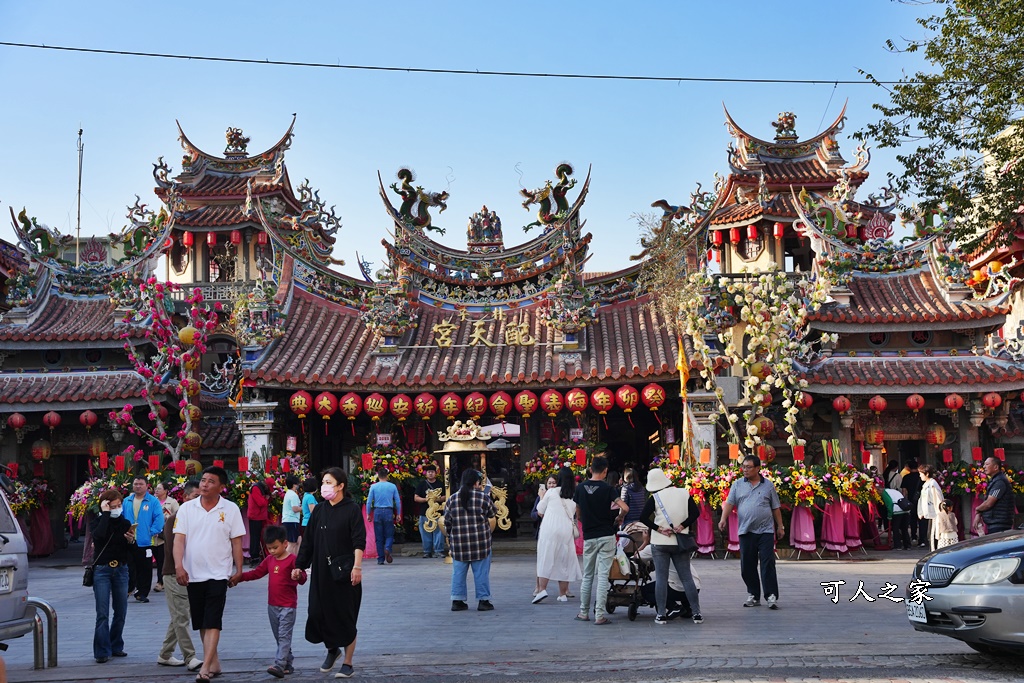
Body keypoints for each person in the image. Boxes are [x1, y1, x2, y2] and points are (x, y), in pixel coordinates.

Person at [174, 465, 246, 683]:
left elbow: (236, 541)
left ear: (221, 487)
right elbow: (179, 539)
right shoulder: (187, 508)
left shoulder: (231, 509)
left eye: (211, 481)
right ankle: (213, 662)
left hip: (218, 572)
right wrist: (179, 566)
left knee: (213, 619)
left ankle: (205, 667)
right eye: (203, 480)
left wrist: (239, 569)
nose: (205, 484)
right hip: (193, 573)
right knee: (202, 622)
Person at [294, 467, 365, 678]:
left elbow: (359, 540)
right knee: (318, 612)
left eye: (328, 482)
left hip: (345, 571)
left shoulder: (352, 509)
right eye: (323, 482)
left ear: (340, 485)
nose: (324, 486)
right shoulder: (320, 510)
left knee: (345, 616)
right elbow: (308, 541)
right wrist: (299, 565)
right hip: (322, 571)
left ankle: (348, 662)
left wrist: (357, 567)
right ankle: (332, 648)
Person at [233, 525, 307, 678]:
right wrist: (239, 577)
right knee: (279, 636)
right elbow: (256, 573)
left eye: (275, 547)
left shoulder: (293, 560)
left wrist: (298, 575)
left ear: (285, 543)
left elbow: (303, 578)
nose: (272, 551)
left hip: (288, 606)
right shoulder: (269, 560)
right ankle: (287, 662)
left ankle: (279, 665)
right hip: (272, 606)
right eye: (269, 548)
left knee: (284, 636)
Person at [718, 454, 784, 610]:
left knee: (768, 563)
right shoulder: (737, 485)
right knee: (747, 564)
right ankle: (753, 595)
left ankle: (771, 595)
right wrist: (723, 519)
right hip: (746, 530)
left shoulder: (768, 485)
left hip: (766, 531)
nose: (745, 470)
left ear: (757, 468)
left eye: (748, 467)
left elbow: (775, 507)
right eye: (744, 467)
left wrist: (780, 526)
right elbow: (729, 503)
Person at [640, 467, 703, 624]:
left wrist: (659, 529)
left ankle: (661, 614)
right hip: (680, 541)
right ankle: (697, 613)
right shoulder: (683, 493)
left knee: (661, 579)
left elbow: (643, 517)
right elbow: (695, 513)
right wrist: (682, 526)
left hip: (660, 542)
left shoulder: (655, 497)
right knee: (687, 577)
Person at [573, 455, 628, 625]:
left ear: (590, 470)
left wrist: (586, 522)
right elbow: (625, 507)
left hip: (589, 536)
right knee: (603, 576)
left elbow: (578, 513)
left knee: (587, 575)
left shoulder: (580, 488)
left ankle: (583, 612)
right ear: (605, 471)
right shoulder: (608, 488)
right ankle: (599, 616)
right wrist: (620, 518)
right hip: (606, 535)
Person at [157, 480, 202, 671]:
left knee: (179, 615)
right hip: (175, 573)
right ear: (184, 498)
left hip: (194, 574)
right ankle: (190, 656)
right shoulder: (175, 519)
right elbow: (176, 548)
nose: (199, 500)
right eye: (195, 497)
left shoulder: (200, 518)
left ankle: (165, 654)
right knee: (182, 616)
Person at [445, 468, 497, 612]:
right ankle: (483, 600)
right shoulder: (483, 498)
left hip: (459, 543)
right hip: (480, 542)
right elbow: (493, 513)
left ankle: (457, 600)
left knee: (458, 572)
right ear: (476, 482)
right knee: (481, 572)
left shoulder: (452, 499)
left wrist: (451, 537)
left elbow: (447, 522)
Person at [90, 489, 133, 663]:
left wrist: (131, 541)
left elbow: (128, 551)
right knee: (102, 612)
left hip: (121, 569)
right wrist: (105, 514)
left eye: (119, 505)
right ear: (105, 505)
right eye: (113, 506)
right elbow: (99, 535)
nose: (117, 508)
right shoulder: (99, 522)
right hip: (102, 570)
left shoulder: (125, 523)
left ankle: (116, 645)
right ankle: (101, 651)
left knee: (121, 610)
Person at [533, 467, 583, 604]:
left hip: (549, 528)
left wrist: (542, 496)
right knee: (564, 560)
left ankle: (542, 589)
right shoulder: (574, 494)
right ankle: (562, 594)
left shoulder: (552, 492)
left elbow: (540, 510)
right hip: (566, 529)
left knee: (545, 557)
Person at [123, 475, 164, 603]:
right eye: (136, 484)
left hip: (145, 542)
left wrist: (151, 532)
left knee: (145, 568)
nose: (138, 486)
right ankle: (128, 589)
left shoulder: (153, 501)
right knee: (129, 567)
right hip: (128, 541)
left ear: (147, 486)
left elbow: (159, 518)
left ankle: (142, 593)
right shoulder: (126, 501)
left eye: (141, 484)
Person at [366, 468, 401, 565]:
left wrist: (368, 513)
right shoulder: (392, 486)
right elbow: (397, 501)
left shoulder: (373, 487)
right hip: (388, 511)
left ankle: (380, 559)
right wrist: (398, 513)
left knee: (379, 536)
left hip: (377, 511)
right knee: (389, 534)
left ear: (378, 476)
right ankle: (387, 548)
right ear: (387, 476)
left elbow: (369, 501)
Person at [973, 456, 1017, 534]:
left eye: (987, 464)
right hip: (995, 523)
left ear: (996, 467)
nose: (984, 467)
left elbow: (989, 503)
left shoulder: (1000, 482)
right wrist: (979, 513)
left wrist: (977, 510)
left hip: (1000, 525)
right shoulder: (994, 480)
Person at [532, 475, 558, 595]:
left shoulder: (559, 497)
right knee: (541, 561)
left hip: (556, 532)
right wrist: (539, 513)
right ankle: (538, 587)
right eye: (550, 483)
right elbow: (533, 514)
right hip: (543, 532)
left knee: (561, 561)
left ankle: (564, 589)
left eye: (554, 483)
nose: (552, 485)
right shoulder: (541, 497)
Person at [414, 463, 446, 558]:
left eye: (432, 472)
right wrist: (426, 499)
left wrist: (437, 499)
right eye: (429, 472)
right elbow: (416, 497)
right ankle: (427, 551)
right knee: (425, 531)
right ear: (426, 473)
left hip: (437, 512)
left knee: (439, 531)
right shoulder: (422, 484)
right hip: (425, 512)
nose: (430, 474)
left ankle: (439, 550)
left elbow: (445, 496)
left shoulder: (440, 484)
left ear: (435, 473)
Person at [153, 481, 179, 594]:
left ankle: (160, 582)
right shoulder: (151, 501)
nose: (156, 490)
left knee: (161, 560)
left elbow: (178, 516)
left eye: (159, 488)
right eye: (156, 488)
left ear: (166, 490)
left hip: (164, 536)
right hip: (151, 535)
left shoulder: (172, 502)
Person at [917, 464, 944, 551]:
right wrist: (921, 512)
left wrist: (941, 512)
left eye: (921, 473)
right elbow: (921, 500)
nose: (920, 475)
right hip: (929, 514)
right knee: (930, 534)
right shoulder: (926, 484)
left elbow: (939, 499)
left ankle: (934, 552)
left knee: (933, 535)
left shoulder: (933, 484)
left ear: (927, 474)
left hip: (935, 514)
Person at [248, 479, 270, 566]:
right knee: (255, 538)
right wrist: (266, 499)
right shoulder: (256, 488)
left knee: (257, 537)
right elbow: (261, 503)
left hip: (259, 516)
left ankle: (256, 556)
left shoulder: (259, 487)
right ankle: (254, 557)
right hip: (255, 516)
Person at [881, 486, 911, 551]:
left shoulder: (884, 493)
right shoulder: (894, 491)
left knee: (895, 529)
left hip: (897, 511)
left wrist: (889, 516)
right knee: (904, 529)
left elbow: (889, 504)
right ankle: (907, 545)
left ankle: (898, 546)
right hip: (905, 509)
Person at [900, 459, 922, 544]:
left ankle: (913, 536)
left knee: (912, 518)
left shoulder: (906, 477)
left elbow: (904, 491)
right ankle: (922, 538)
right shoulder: (921, 477)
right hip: (921, 500)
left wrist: (904, 500)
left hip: (911, 500)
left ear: (908, 467)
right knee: (921, 519)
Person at [281, 476, 302, 555]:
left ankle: (294, 560)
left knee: (298, 540)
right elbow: (295, 509)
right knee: (292, 543)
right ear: (294, 485)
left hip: (290, 520)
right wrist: (304, 507)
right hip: (291, 520)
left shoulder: (288, 493)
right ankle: (285, 559)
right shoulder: (293, 495)